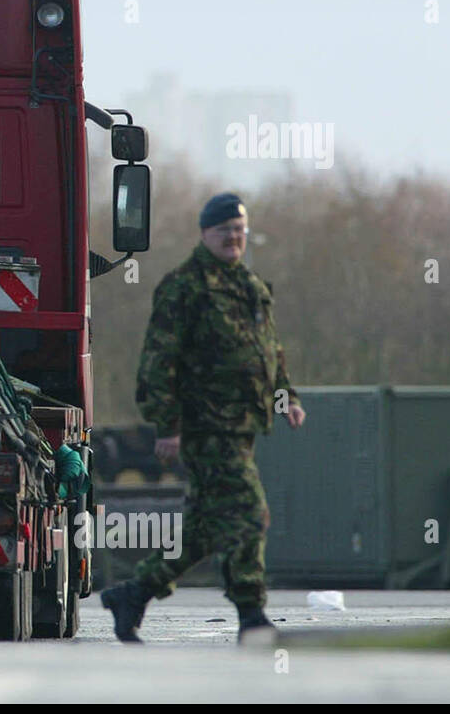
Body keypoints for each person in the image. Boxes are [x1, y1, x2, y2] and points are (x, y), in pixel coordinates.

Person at [100, 193, 305, 644]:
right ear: (204, 234)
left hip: (243, 425)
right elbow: (158, 363)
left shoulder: (251, 287)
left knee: (205, 529)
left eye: (239, 230)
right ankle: (251, 613)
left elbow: (270, 351)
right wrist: (167, 425)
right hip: (204, 428)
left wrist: (286, 396)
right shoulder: (184, 288)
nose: (233, 238)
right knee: (250, 514)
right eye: (223, 230)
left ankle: (133, 593)